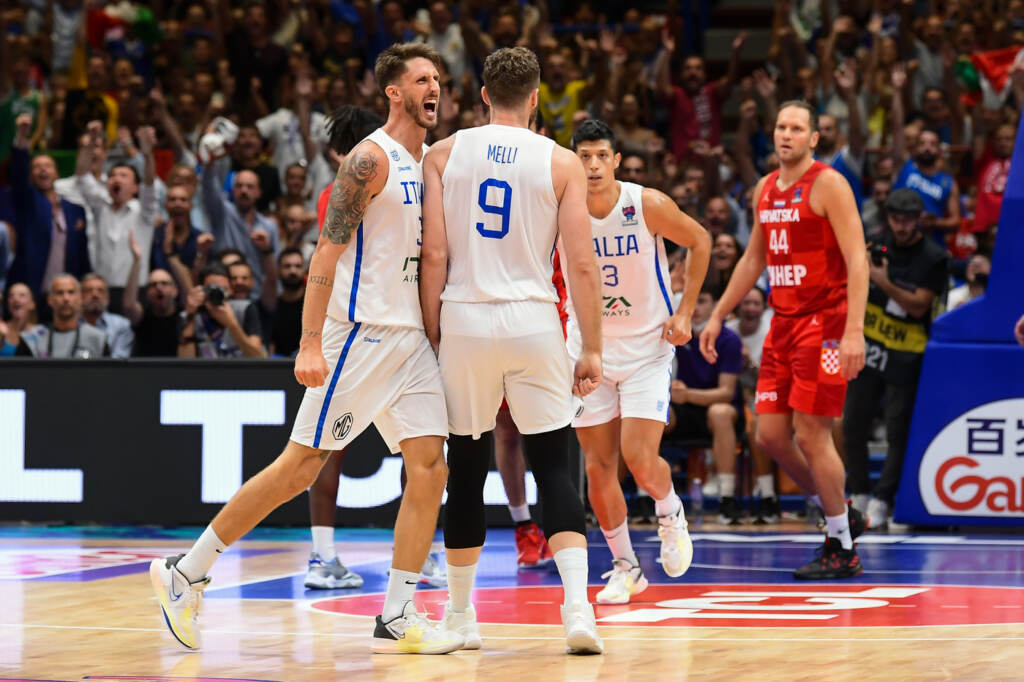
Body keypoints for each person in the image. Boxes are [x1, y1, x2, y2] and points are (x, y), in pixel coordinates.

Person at [150, 42, 462, 655]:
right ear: (393, 91)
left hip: (410, 342)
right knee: (299, 468)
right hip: (361, 335)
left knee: (430, 467)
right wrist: (310, 343)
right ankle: (187, 571)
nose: (434, 88)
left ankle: (397, 613)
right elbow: (325, 253)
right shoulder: (369, 159)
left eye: (438, 80)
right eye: (422, 79)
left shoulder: (428, 161)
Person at [419, 46, 605, 654]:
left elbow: (434, 255)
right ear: (535, 98)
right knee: (553, 465)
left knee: (467, 470)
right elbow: (581, 264)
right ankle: (578, 612)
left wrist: (435, 331)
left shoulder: (442, 154)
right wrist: (592, 348)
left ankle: (460, 618)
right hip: (533, 319)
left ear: (482, 96)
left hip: (465, 316)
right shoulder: (561, 161)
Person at [700, 101, 870, 579]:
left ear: (814, 138)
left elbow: (858, 258)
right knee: (770, 436)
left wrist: (854, 330)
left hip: (827, 323)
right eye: (780, 127)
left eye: (797, 128)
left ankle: (841, 545)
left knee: (811, 433)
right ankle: (841, 510)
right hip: (784, 322)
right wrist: (718, 315)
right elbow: (753, 259)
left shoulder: (829, 183)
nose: (786, 135)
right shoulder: (764, 188)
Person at [568, 118, 710, 604]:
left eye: (600, 156)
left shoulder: (645, 203)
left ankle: (670, 513)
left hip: (647, 349)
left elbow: (700, 241)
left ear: (616, 160)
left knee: (640, 458)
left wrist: (685, 311)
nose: (592, 165)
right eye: (583, 156)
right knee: (597, 468)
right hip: (588, 350)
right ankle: (626, 567)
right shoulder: (561, 209)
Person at [844, 189, 948, 529]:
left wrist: (882, 281)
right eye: (895, 219)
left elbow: (918, 305)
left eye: (907, 220)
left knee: (897, 429)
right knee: (853, 423)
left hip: (907, 352)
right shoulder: (875, 244)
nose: (901, 227)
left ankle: (883, 500)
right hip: (870, 346)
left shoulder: (934, 257)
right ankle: (859, 494)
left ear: (919, 219)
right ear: (887, 217)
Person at [667, 285, 744, 524]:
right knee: (656, 413)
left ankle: (727, 498)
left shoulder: (729, 339)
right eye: (693, 301)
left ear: (715, 305)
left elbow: (726, 393)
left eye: (702, 301)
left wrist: (688, 394)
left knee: (720, 413)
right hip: (684, 409)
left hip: (719, 410)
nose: (696, 307)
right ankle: (646, 499)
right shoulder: (678, 333)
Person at [75, 123, 159, 313]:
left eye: (124, 176)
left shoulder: (144, 212)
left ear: (135, 187)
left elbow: (149, 185)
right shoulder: (100, 207)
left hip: (135, 291)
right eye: (112, 175)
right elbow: (82, 176)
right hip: (101, 292)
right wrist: (90, 142)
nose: (116, 179)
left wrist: (147, 155)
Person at [8, 114, 91, 304]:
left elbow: (82, 256)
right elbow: (18, 175)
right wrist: (22, 137)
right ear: (31, 175)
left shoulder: (75, 210)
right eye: (37, 167)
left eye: (47, 166)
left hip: (65, 296)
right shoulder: (28, 202)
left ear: (57, 173)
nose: (43, 170)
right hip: (33, 293)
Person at [725, 287, 780, 522]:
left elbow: (774, 379)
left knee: (756, 424)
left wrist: (750, 363)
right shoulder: (727, 332)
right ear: (738, 308)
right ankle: (725, 493)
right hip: (730, 398)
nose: (750, 308)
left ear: (763, 309)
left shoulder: (770, 332)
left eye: (756, 304)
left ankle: (768, 495)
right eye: (746, 303)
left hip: (762, 396)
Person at [177, 263, 264, 358]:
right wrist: (190, 316)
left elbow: (257, 357)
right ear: (202, 290)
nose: (217, 293)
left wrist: (231, 324)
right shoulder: (192, 314)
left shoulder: (245, 308)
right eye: (212, 289)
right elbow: (185, 362)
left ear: (231, 290)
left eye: (223, 289)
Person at [17, 275, 108, 358]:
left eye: (71, 292)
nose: (66, 298)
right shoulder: (32, 338)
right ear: (49, 299)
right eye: (59, 293)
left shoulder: (97, 338)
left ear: (80, 298)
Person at [80, 273, 134, 358]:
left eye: (100, 290)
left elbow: (119, 362)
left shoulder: (121, 325)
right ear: (79, 297)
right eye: (89, 290)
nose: (95, 295)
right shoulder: (71, 324)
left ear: (108, 298)